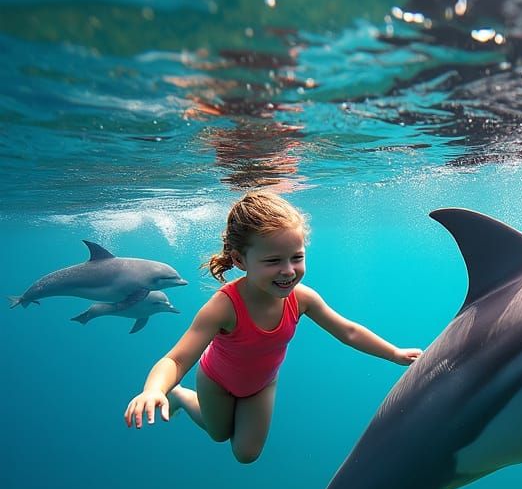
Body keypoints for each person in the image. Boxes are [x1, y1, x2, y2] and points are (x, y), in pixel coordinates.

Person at [124, 190, 422, 463]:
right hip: (217, 382)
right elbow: (176, 359)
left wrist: (393, 353)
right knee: (219, 435)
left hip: (261, 384)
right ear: (240, 260)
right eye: (273, 260)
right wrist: (154, 390)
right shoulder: (223, 307)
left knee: (246, 453)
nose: (288, 271)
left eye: (297, 258)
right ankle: (179, 396)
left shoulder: (302, 298)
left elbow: (348, 331)